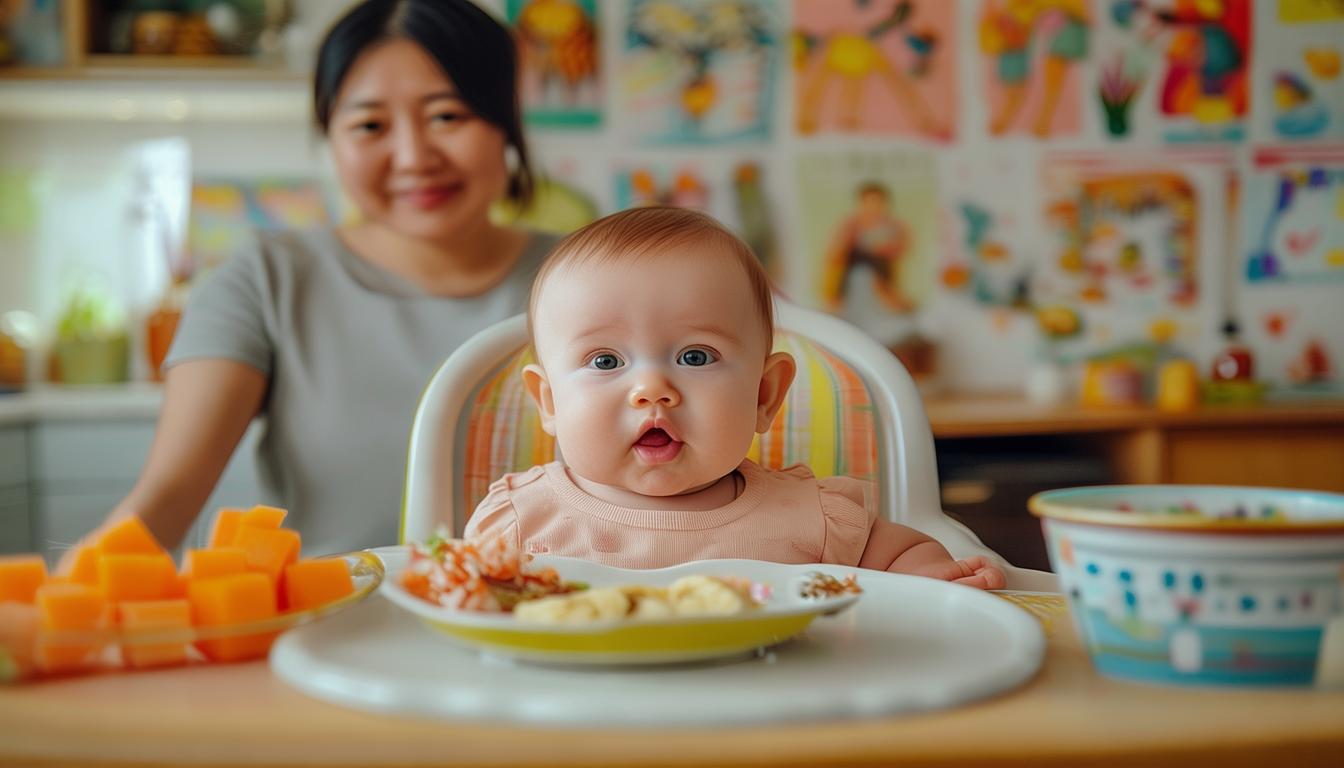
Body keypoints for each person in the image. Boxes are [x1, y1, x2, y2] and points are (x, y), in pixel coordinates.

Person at [64, 0, 559, 560]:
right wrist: (60, 615)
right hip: (324, 635)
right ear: (331, 138)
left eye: (447, 116)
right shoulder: (264, 281)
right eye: (370, 125)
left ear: (505, 122)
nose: (413, 156)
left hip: (558, 630)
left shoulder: (599, 282)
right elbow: (165, 500)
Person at [464, 207, 1005, 589]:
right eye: (605, 361)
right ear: (550, 402)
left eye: (695, 357)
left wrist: (930, 577)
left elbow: (905, 553)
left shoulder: (811, 520)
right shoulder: (520, 524)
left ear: (764, 394)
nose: (652, 389)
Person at [820, 181, 912, 314]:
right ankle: (837, 299)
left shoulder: (892, 225)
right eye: (869, 202)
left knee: (875, 259)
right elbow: (836, 247)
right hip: (854, 261)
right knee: (855, 255)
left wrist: (884, 248)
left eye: (877, 202)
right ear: (861, 203)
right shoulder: (852, 223)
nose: (873, 207)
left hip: (881, 262)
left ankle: (889, 294)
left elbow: (902, 245)